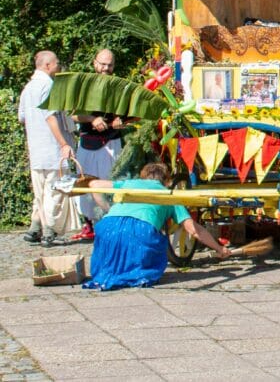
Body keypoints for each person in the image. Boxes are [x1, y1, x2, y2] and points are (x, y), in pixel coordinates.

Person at [82, 162, 229, 290]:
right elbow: (193, 229)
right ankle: (137, 273)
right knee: (151, 242)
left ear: (143, 176)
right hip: (140, 230)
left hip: (107, 227)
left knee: (109, 259)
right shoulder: (169, 194)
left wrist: (108, 208)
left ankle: (111, 272)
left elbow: (94, 184)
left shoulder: (129, 183)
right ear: (167, 181)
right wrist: (218, 248)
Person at [17, 51, 74, 245]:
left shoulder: (28, 88)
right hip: (52, 148)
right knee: (54, 190)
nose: (59, 66)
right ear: (48, 66)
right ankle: (49, 230)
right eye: (57, 63)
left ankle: (34, 227)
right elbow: (50, 117)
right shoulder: (49, 86)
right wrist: (64, 143)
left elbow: (22, 118)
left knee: (40, 192)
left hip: (36, 149)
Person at [71, 49, 125, 241]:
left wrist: (121, 119)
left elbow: (128, 112)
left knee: (111, 182)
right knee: (86, 183)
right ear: (94, 63)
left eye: (109, 65)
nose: (106, 68)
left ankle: (111, 221)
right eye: (102, 64)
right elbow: (74, 114)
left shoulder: (120, 87)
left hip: (112, 140)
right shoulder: (84, 86)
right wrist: (92, 119)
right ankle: (88, 224)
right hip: (88, 142)